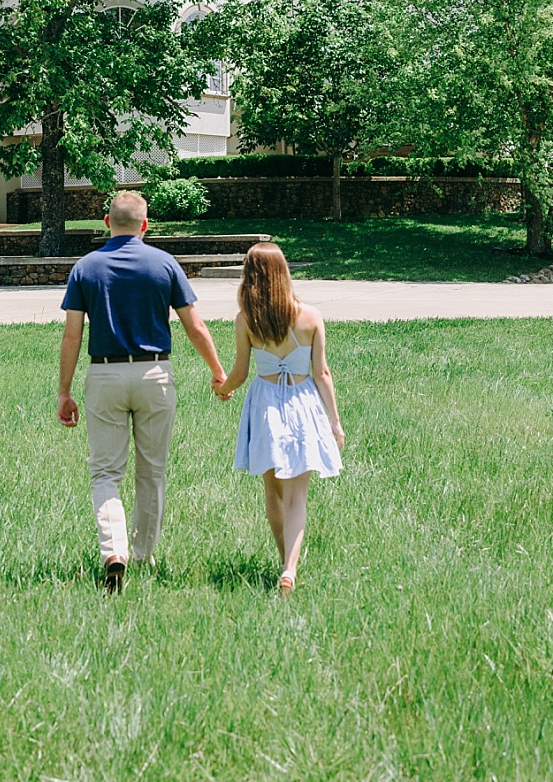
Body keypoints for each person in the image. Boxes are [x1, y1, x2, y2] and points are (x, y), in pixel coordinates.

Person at [57, 190, 226, 593]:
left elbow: (72, 334)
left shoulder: (86, 267)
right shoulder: (164, 264)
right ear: (145, 225)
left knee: (105, 472)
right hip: (155, 374)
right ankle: (143, 555)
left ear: (106, 222)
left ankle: (113, 551)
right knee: (152, 473)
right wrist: (218, 371)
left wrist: (64, 390)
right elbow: (194, 326)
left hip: (105, 376)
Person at [215, 242, 344, 595]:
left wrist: (223, 388)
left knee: (272, 491)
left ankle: (283, 558)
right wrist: (334, 423)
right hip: (303, 404)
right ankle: (290, 568)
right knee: (296, 497)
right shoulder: (310, 316)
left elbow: (240, 373)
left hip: (265, 406)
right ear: (283, 272)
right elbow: (323, 374)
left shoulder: (246, 320)